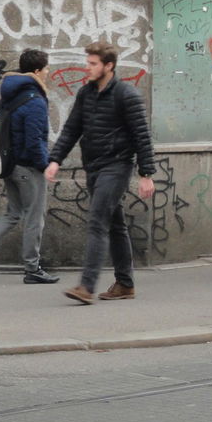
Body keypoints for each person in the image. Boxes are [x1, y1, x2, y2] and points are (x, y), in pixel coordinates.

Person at [45, 42, 155, 305]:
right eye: (88, 63)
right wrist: (55, 160)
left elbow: (142, 136)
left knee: (97, 221)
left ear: (109, 66)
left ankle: (86, 286)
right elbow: (72, 129)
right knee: (115, 225)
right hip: (93, 166)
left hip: (116, 166)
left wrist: (146, 173)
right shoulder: (86, 93)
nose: (88, 68)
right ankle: (125, 285)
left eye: (93, 64)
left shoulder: (127, 95)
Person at [0, 50, 58, 284]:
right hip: (28, 167)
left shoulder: (13, 94)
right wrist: (44, 165)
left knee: (13, 212)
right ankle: (32, 269)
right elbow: (34, 140)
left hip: (10, 165)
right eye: (46, 69)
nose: (48, 73)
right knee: (35, 217)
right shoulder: (35, 101)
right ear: (37, 71)